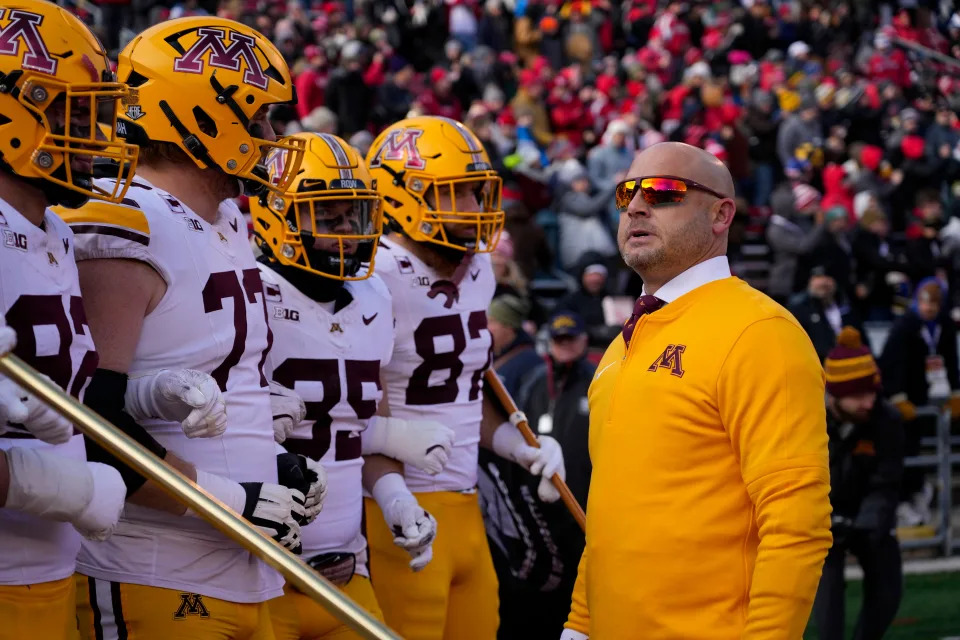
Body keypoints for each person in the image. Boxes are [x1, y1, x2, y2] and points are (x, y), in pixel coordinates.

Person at [56, 17, 323, 639]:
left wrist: (270, 462)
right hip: (153, 571)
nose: (272, 136)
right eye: (258, 119)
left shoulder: (229, 220)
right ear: (203, 117)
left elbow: (212, 378)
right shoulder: (127, 219)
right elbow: (90, 426)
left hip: (249, 573)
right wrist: (234, 500)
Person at [562, 142, 831, 639]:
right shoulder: (623, 344)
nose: (637, 206)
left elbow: (796, 523)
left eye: (664, 192)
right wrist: (579, 624)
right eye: (627, 194)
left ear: (721, 214)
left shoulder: (760, 331)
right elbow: (609, 517)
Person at [364, 115, 567, 640]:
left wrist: (517, 446)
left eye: (477, 194)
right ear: (404, 196)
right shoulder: (374, 276)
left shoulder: (479, 269)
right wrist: (392, 494)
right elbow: (359, 404)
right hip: (395, 512)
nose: (476, 210)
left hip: (466, 502)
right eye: (458, 196)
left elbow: (465, 391)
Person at [250, 132, 455, 639]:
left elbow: (360, 426)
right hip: (259, 572)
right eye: (328, 216)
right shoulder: (250, 290)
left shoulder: (373, 296)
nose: (347, 233)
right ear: (280, 216)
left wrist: (394, 497)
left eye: (355, 216)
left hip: (348, 568)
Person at [0, 4, 136, 635]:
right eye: (71, 113)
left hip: (50, 572)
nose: (96, 134)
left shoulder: (48, 225)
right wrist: (63, 488)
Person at [488, 311, 593, 640]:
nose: (565, 346)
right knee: (542, 584)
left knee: (581, 582)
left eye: (571, 339)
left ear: (584, 340)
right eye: (559, 340)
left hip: (586, 497)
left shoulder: (597, 376)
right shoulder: (534, 378)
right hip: (541, 499)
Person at [812, 327, 904, 640]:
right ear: (836, 395)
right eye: (858, 394)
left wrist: (866, 523)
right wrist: (825, 519)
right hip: (823, 517)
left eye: (872, 391)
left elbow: (887, 481)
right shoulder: (810, 417)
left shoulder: (885, 418)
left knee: (888, 588)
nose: (868, 401)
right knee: (828, 597)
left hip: (869, 515)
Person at [878, 279, 960, 526]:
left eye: (934, 304)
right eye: (925, 302)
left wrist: (956, 391)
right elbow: (891, 364)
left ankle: (918, 492)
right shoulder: (904, 326)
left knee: (918, 446)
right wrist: (897, 397)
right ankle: (903, 501)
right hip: (902, 396)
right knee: (903, 448)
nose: (929, 308)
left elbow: (950, 359)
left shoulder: (944, 325)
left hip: (925, 393)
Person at [790, 266, 862, 363]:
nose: (823, 282)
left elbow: (862, 340)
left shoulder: (848, 309)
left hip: (850, 364)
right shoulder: (799, 311)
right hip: (818, 365)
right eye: (818, 277)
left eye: (828, 278)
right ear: (810, 281)